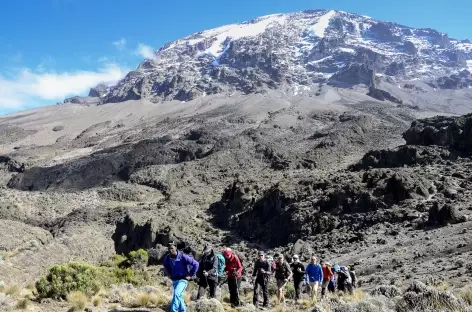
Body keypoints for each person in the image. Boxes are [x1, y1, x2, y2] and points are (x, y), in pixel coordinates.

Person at [163, 242, 199, 312]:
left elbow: (196, 264)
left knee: (176, 293)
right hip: (175, 279)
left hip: (183, 279)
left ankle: (173, 310)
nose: (170, 250)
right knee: (180, 296)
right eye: (169, 248)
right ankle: (182, 310)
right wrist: (170, 274)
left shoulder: (183, 256)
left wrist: (190, 274)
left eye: (172, 248)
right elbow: (166, 266)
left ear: (176, 248)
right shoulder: (167, 258)